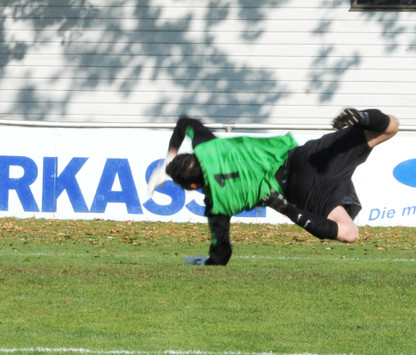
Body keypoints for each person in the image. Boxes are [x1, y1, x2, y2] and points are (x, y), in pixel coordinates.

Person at [156, 107, 398, 266]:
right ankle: (362, 117)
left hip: (300, 191)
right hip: (306, 158)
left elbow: (221, 254)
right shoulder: (207, 146)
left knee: (349, 233)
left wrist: (206, 262)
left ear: (194, 185)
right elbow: (185, 123)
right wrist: (168, 158)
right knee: (390, 127)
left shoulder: (217, 204)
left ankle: (290, 210)